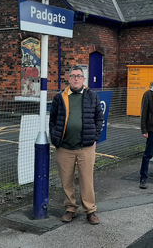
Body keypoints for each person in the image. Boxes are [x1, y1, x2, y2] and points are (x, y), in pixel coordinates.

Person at [49, 65, 104, 225]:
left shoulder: (92, 96)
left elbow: (99, 118)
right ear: (69, 78)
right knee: (66, 180)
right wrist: (55, 136)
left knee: (87, 180)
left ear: (83, 79)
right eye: (73, 76)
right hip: (64, 147)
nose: (76, 79)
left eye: (79, 76)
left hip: (85, 147)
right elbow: (53, 119)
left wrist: (94, 137)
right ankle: (70, 209)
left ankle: (90, 211)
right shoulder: (60, 97)